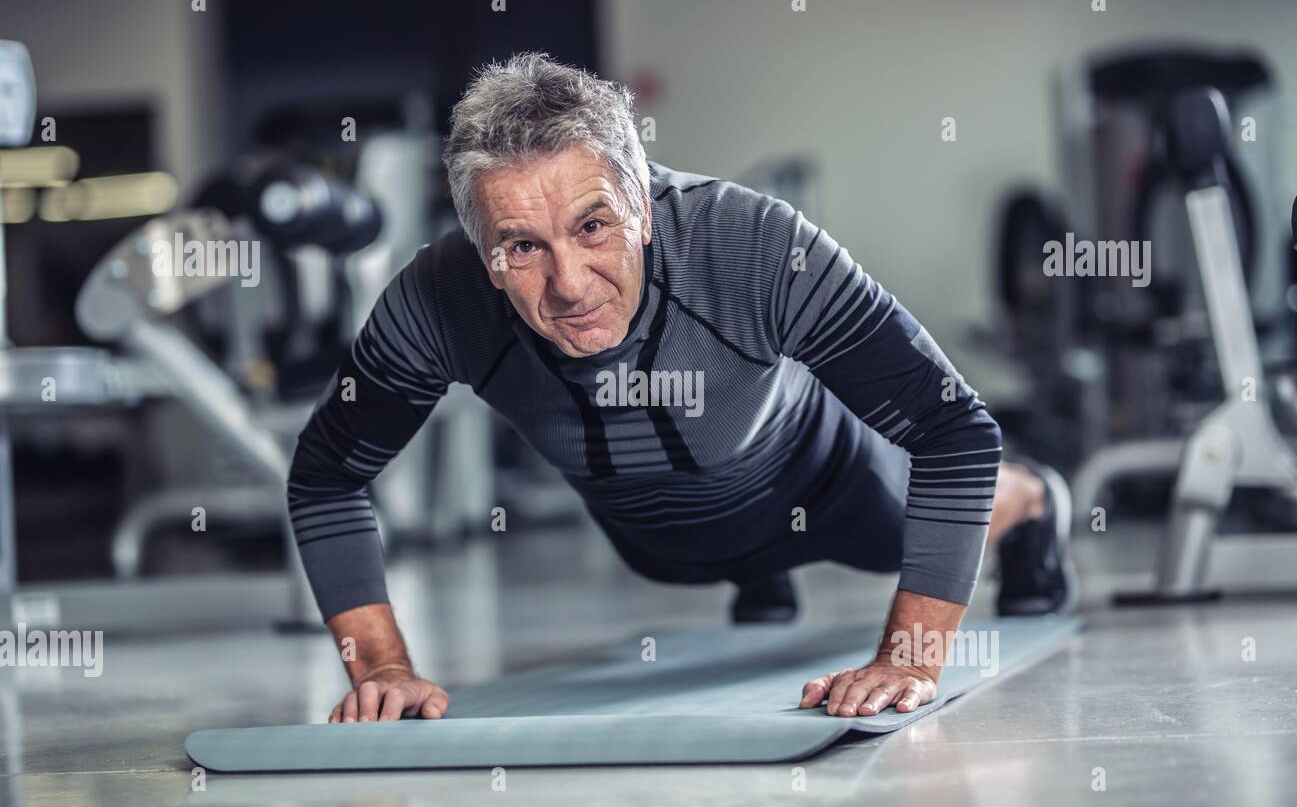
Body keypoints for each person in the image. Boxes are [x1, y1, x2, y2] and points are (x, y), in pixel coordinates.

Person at [286, 52, 1075, 725]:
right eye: (521, 248)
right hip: (661, 538)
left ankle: (1037, 499)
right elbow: (325, 477)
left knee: (904, 524)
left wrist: (913, 658)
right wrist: (381, 668)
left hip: (831, 483)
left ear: (645, 207)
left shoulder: (755, 243)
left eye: (593, 227)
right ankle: (757, 571)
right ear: (479, 247)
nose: (568, 285)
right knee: (679, 556)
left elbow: (956, 432)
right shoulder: (438, 297)